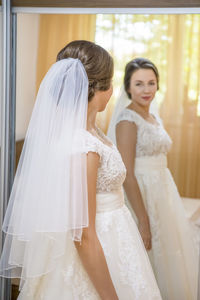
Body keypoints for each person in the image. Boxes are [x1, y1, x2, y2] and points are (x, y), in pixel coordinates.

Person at [0, 41, 161, 300]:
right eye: (110, 83)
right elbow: (83, 235)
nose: (112, 91)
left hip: (117, 240)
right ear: (99, 88)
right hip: (99, 247)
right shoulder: (83, 146)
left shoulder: (91, 131)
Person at [108, 57, 199, 300]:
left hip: (162, 191)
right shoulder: (128, 120)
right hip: (142, 195)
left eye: (151, 83)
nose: (146, 90)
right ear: (127, 87)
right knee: (148, 254)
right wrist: (143, 219)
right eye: (139, 84)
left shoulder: (152, 115)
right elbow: (126, 174)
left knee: (168, 254)